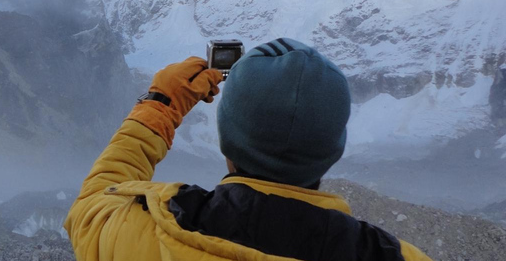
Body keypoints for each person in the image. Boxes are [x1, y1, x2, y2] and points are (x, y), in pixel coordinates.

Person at [64, 38, 432, 261]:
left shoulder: (146, 232)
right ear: (332, 151)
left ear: (227, 142)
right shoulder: (396, 256)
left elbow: (91, 207)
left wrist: (160, 105)